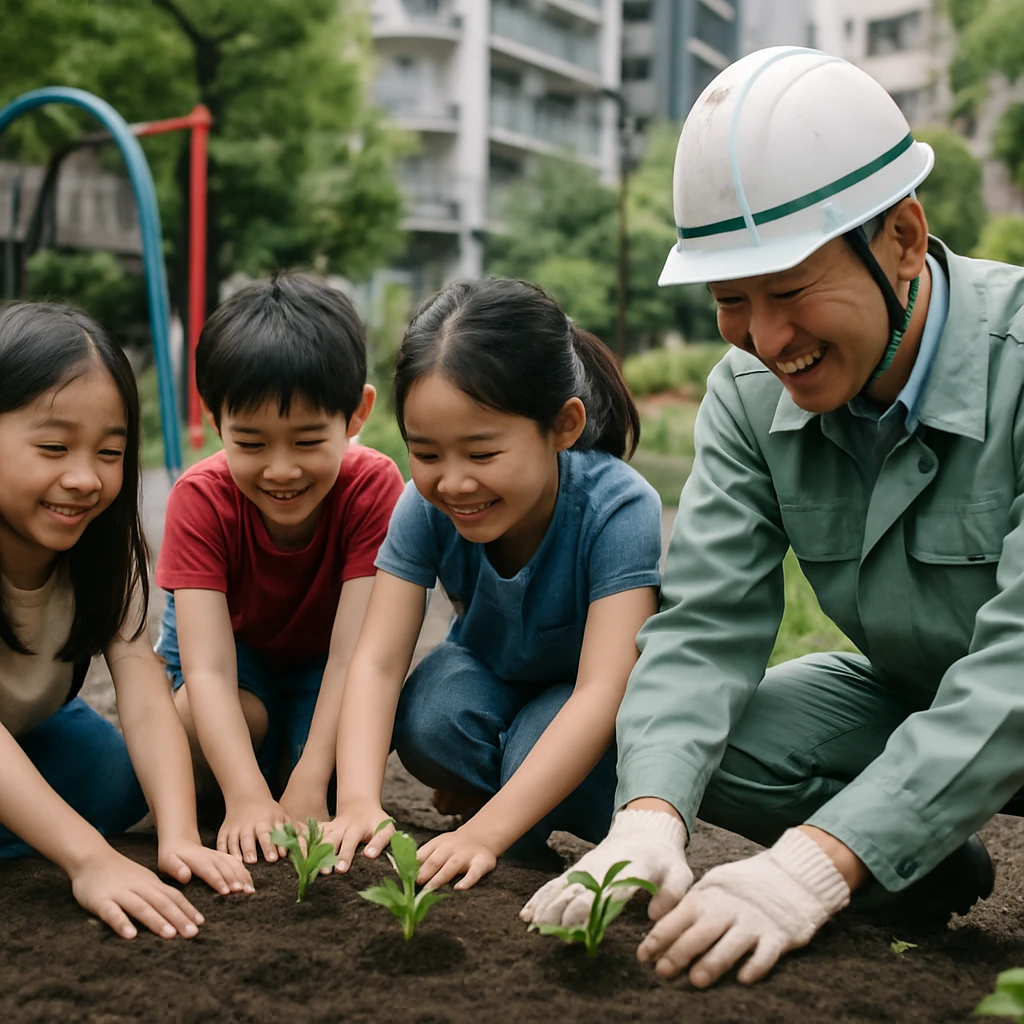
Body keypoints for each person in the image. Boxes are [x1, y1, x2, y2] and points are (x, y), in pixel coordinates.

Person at [523, 45, 1024, 987]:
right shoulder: (749, 395)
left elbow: (1018, 666)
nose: (765, 339)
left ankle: (869, 843)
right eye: (729, 301)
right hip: (912, 691)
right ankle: (915, 862)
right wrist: (651, 817)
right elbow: (705, 626)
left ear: (904, 240)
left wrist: (812, 864)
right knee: (700, 739)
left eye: (790, 292)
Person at [323, 277, 663, 890]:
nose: (453, 483)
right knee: (429, 715)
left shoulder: (617, 506)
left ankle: (513, 812)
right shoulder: (423, 507)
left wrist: (485, 833)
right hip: (486, 678)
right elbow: (375, 661)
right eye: (426, 454)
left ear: (562, 426)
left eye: (481, 455)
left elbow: (603, 690)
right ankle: (512, 794)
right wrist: (356, 801)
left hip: (582, 697)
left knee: (547, 752)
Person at [0, 302, 252, 940]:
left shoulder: (105, 556)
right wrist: (89, 859)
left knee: (118, 782)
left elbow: (143, 695)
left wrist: (178, 834)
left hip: (29, 728)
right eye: (54, 447)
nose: (84, 478)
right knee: (81, 823)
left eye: (110, 452)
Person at [155, 273, 404, 866]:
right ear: (216, 422)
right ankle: (257, 770)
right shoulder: (200, 498)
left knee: (344, 761)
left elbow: (352, 653)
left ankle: (290, 761)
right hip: (236, 666)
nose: (281, 469)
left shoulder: (372, 488)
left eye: (307, 440)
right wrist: (244, 797)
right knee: (203, 729)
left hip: (326, 666)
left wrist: (313, 781)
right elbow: (208, 669)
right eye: (252, 443)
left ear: (356, 415)